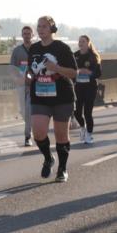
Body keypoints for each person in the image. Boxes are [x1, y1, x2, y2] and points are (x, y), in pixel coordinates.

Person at [28, 16, 77, 182]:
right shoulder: (34, 48)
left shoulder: (62, 48)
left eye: (44, 26)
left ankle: (62, 169)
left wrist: (55, 68)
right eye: (39, 26)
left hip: (62, 96)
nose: (40, 29)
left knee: (61, 135)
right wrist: (28, 76)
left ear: (52, 29)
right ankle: (48, 158)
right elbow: (31, 70)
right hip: (40, 96)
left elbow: (73, 72)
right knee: (39, 133)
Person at [73, 35, 102, 144]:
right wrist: (77, 72)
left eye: (83, 41)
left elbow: (98, 73)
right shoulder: (74, 55)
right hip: (78, 87)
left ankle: (89, 135)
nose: (81, 43)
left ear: (88, 43)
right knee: (76, 112)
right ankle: (82, 127)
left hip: (90, 88)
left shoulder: (93, 56)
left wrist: (89, 72)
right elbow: (70, 70)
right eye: (79, 41)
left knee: (87, 113)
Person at [10, 26, 34, 146]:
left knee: (29, 110)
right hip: (21, 83)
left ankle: (27, 136)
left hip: (35, 85)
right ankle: (30, 126)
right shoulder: (17, 50)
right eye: (24, 33)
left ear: (32, 35)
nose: (26, 35)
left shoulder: (37, 49)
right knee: (23, 111)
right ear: (22, 35)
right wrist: (16, 78)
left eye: (28, 33)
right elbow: (12, 68)